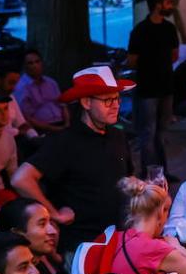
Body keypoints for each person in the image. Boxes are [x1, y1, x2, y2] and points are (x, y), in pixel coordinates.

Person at [11, 66, 135, 256]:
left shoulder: (118, 135)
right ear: (86, 102)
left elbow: (127, 178)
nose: (116, 105)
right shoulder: (64, 142)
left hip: (119, 237)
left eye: (117, 98)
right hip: (82, 244)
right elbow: (21, 179)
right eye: (107, 99)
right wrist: (54, 214)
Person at [128, 0, 180, 172]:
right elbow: (174, 56)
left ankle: (159, 172)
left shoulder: (165, 28)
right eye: (167, 1)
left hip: (163, 87)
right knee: (151, 132)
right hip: (150, 88)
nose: (170, 5)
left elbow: (132, 61)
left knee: (157, 132)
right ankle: (151, 172)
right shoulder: (141, 30)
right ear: (158, 5)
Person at [14, 49, 68, 135]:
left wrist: (67, 124)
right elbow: (27, 118)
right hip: (42, 129)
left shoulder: (51, 82)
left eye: (37, 61)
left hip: (62, 123)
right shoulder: (21, 88)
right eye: (30, 63)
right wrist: (54, 128)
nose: (35, 65)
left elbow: (63, 105)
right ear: (24, 66)